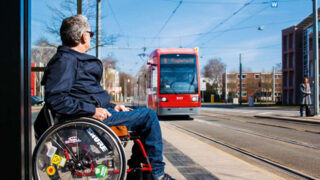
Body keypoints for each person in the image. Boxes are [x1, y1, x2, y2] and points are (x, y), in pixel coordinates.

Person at [41, 15, 175, 180]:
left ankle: (137, 170)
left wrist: (112, 106)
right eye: (90, 34)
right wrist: (93, 111)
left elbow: (85, 95)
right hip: (87, 120)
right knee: (149, 117)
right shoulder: (66, 61)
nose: (90, 37)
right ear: (84, 36)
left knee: (141, 115)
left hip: (90, 116)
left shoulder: (70, 59)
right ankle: (157, 175)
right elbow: (57, 99)